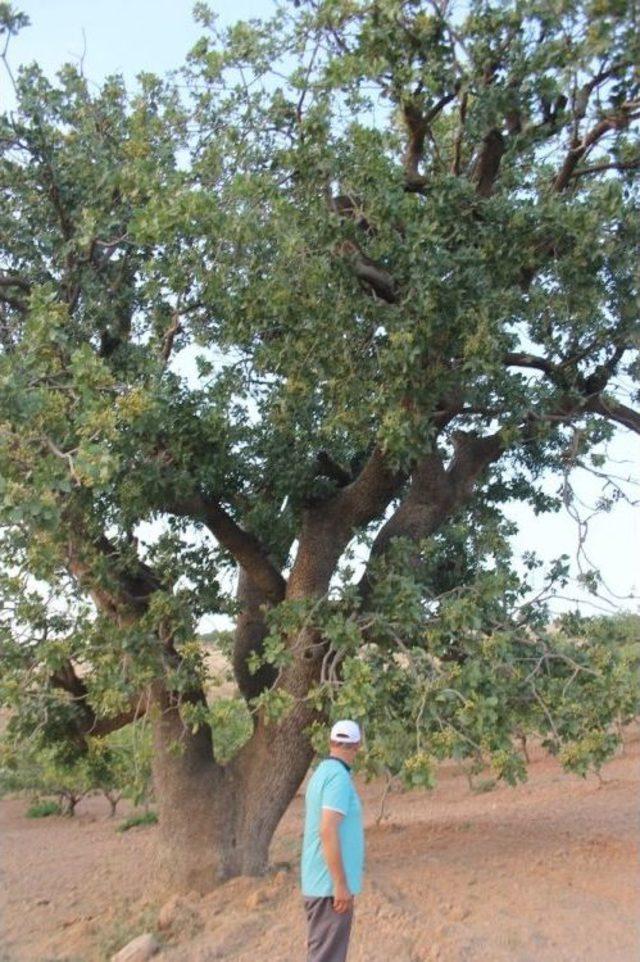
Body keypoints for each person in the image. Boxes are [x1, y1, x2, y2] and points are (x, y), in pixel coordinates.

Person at [300, 719, 365, 962]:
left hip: (320, 883)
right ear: (357, 745)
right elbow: (328, 829)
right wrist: (339, 884)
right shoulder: (338, 777)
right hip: (328, 888)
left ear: (330, 742)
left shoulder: (322, 773)